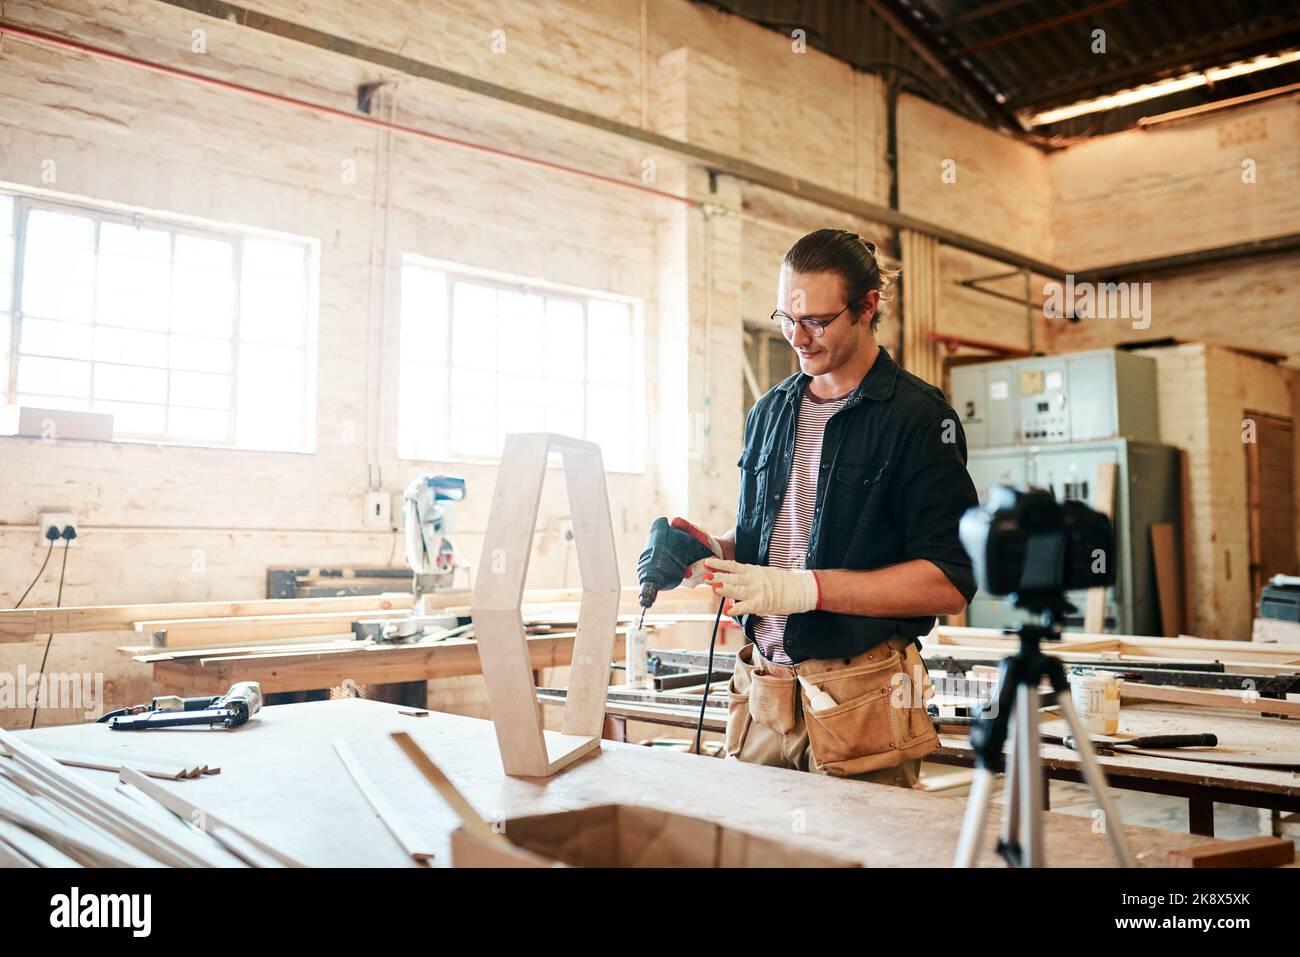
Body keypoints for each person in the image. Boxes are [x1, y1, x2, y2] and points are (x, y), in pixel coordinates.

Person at [655, 228, 978, 787]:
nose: (797, 339)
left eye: (816, 322)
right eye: (786, 317)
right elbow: (774, 535)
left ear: (866, 307)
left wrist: (806, 590)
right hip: (764, 691)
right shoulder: (770, 412)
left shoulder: (919, 418)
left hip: (863, 699)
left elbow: (948, 582)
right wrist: (708, 553)